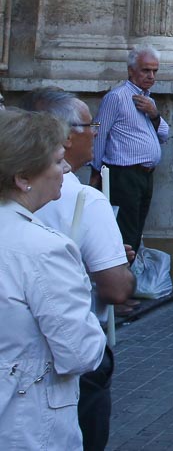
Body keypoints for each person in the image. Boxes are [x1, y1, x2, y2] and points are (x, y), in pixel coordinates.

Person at [25, 89, 133, 451]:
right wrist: (118, 265)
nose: (97, 132)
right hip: (68, 355)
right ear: (67, 135)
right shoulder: (85, 199)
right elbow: (116, 289)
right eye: (91, 125)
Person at [0, 109, 107, 450]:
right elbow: (81, 352)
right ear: (22, 177)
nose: (64, 170)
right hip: (25, 422)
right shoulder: (44, 248)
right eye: (58, 160)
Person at [91, 45, 169, 252]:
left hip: (145, 175)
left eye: (155, 71)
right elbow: (98, 131)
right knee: (126, 232)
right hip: (123, 173)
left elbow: (164, 134)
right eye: (146, 70)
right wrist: (95, 169)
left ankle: (129, 277)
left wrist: (154, 114)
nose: (151, 76)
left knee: (136, 231)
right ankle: (121, 278)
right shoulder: (116, 97)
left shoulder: (148, 100)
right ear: (131, 70)